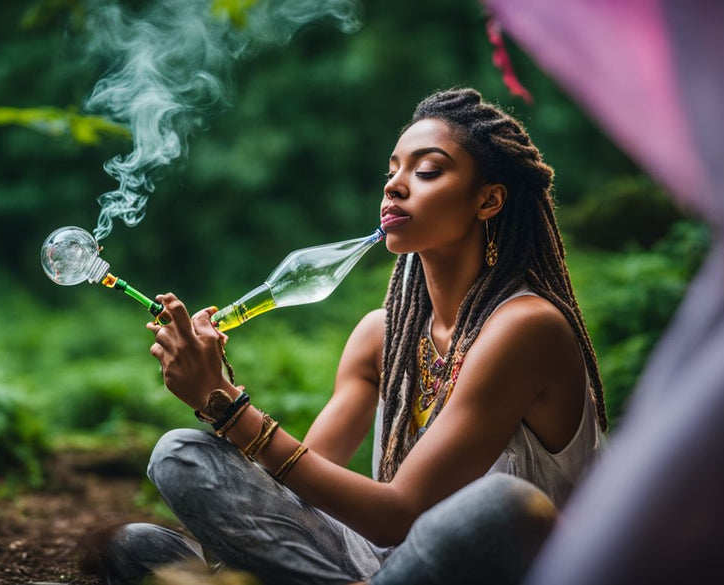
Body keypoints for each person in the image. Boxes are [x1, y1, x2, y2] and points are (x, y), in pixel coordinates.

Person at [99, 88, 606, 585]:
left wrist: (233, 409)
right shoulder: (380, 337)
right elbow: (297, 492)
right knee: (174, 466)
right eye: (392, 172)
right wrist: (215, 395)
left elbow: (397, 515)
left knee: (501, 509)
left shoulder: (525, 327)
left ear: (489, 200)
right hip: (387, 567)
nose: (395, 186)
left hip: (491, 564)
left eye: (426, 171)